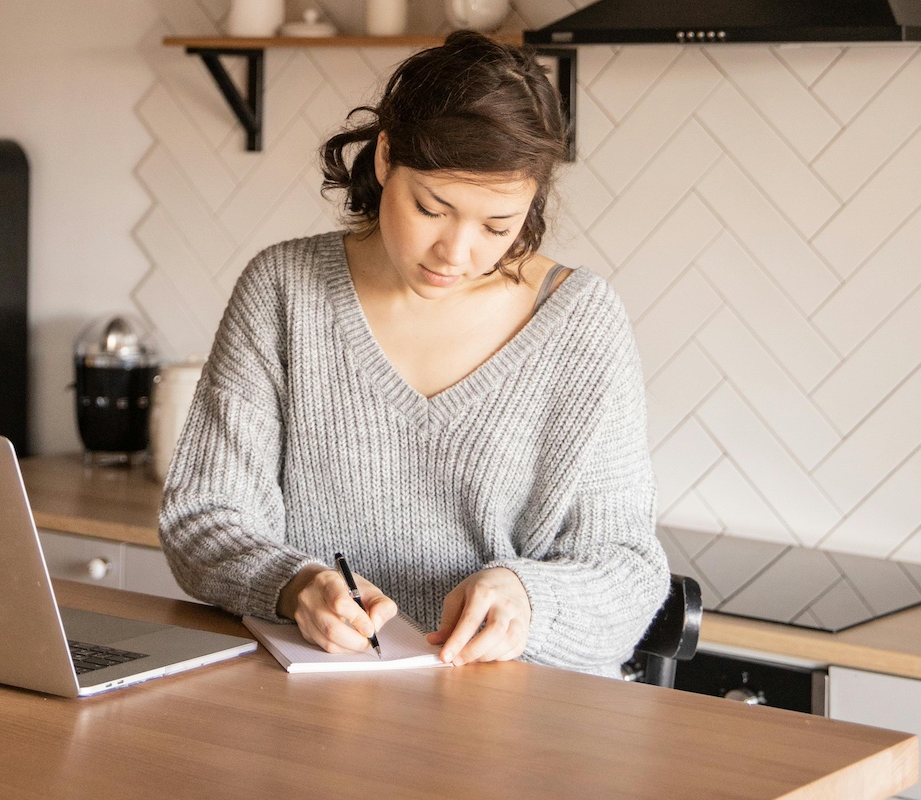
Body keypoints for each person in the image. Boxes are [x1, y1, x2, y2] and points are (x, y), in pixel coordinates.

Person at [157, 30, 669, 678]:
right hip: (313, 711)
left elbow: (628, 567)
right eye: (432, 208)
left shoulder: (581, 324)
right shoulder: (284, 291)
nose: (456, 253)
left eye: (497, 226)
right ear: (384, 158)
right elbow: (203, 518)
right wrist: (294, 584)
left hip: (511, 720)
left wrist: (530, 598)